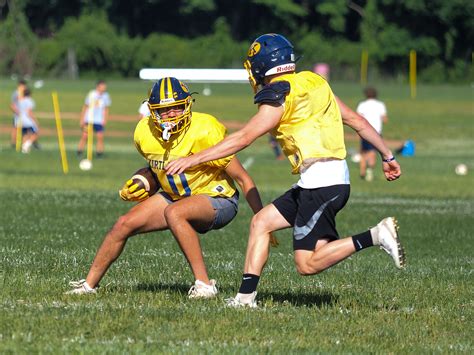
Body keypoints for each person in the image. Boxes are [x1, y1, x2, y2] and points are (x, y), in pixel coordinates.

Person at [166, 34, 405, 308]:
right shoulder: (314, 81)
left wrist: (194, 159)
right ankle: (245, 298)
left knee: (307, 264)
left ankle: (376, 235)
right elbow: (357, 121)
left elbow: (244, 137)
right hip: (320, 180)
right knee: (261, 222)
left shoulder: (279, 92)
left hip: (322, 183)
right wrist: (387, 155)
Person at [67, 77, 266, 298]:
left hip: (217, 198)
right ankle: (88, 286)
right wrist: (142, 181)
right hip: (176, 196)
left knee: (175, 212)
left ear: (187, 105)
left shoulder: (205, 130)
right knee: (123, 224)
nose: (172, 114)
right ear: (152, 111)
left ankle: (204, 285)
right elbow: (156, 169)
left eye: (177, 107)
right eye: (164, 110)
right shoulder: (144, 132)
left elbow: (243, 178)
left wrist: (261, 218)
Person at [356, 87, 388, 181]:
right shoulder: (380, 105)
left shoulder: (362, 104)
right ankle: (369, 171)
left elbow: (358, 117)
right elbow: (385, 119)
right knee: (372, 152)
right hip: (376, 132)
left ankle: (362, 172)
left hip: (364, 131)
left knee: (363, 152)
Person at [77, 80, 111, 158]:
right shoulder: (91, 94)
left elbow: (106, 109)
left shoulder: (106, 96)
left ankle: (99, 154)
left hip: (99, 120)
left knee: (100, 137)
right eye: (103, 87)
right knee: (85, 136)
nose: (104, 89)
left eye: (105, 87)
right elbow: (85, 106)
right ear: (98, 87)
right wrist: (82, 119)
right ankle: (79, 152)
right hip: (89, 119)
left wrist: (105, 119)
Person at [16, 88, 40, 153]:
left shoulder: (20, 101)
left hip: (20, 120)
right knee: (36, 133)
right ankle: (27, 144)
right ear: (30, 94)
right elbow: (29, 112)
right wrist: (35, 120)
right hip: (28, 120)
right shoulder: (30, 101)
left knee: (25, 134)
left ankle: (24, 150)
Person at [9, 79, 27, 148]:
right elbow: (12, 105)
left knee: (24, 128)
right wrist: (17, 111)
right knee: (16, 128)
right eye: (23, 86)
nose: (24, 87)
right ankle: (13, 143)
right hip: (17, 114)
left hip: (24, 114)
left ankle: (24, 143)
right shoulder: (16, 93)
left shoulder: (24, 93)